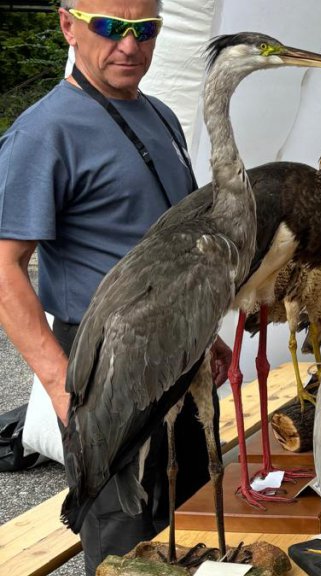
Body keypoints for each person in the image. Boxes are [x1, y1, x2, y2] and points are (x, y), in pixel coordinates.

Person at [0, 0, 228, 572]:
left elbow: (179, 240)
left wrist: (206, 334)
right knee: (127, 534)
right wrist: (61, 386)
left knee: (193, 513)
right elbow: (4, 268)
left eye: (144, 29)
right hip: (103, 362)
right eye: (109, 27)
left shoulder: (162, 115)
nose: (129, 46)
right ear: (67, 25)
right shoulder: (43, 131)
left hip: (180, 352)